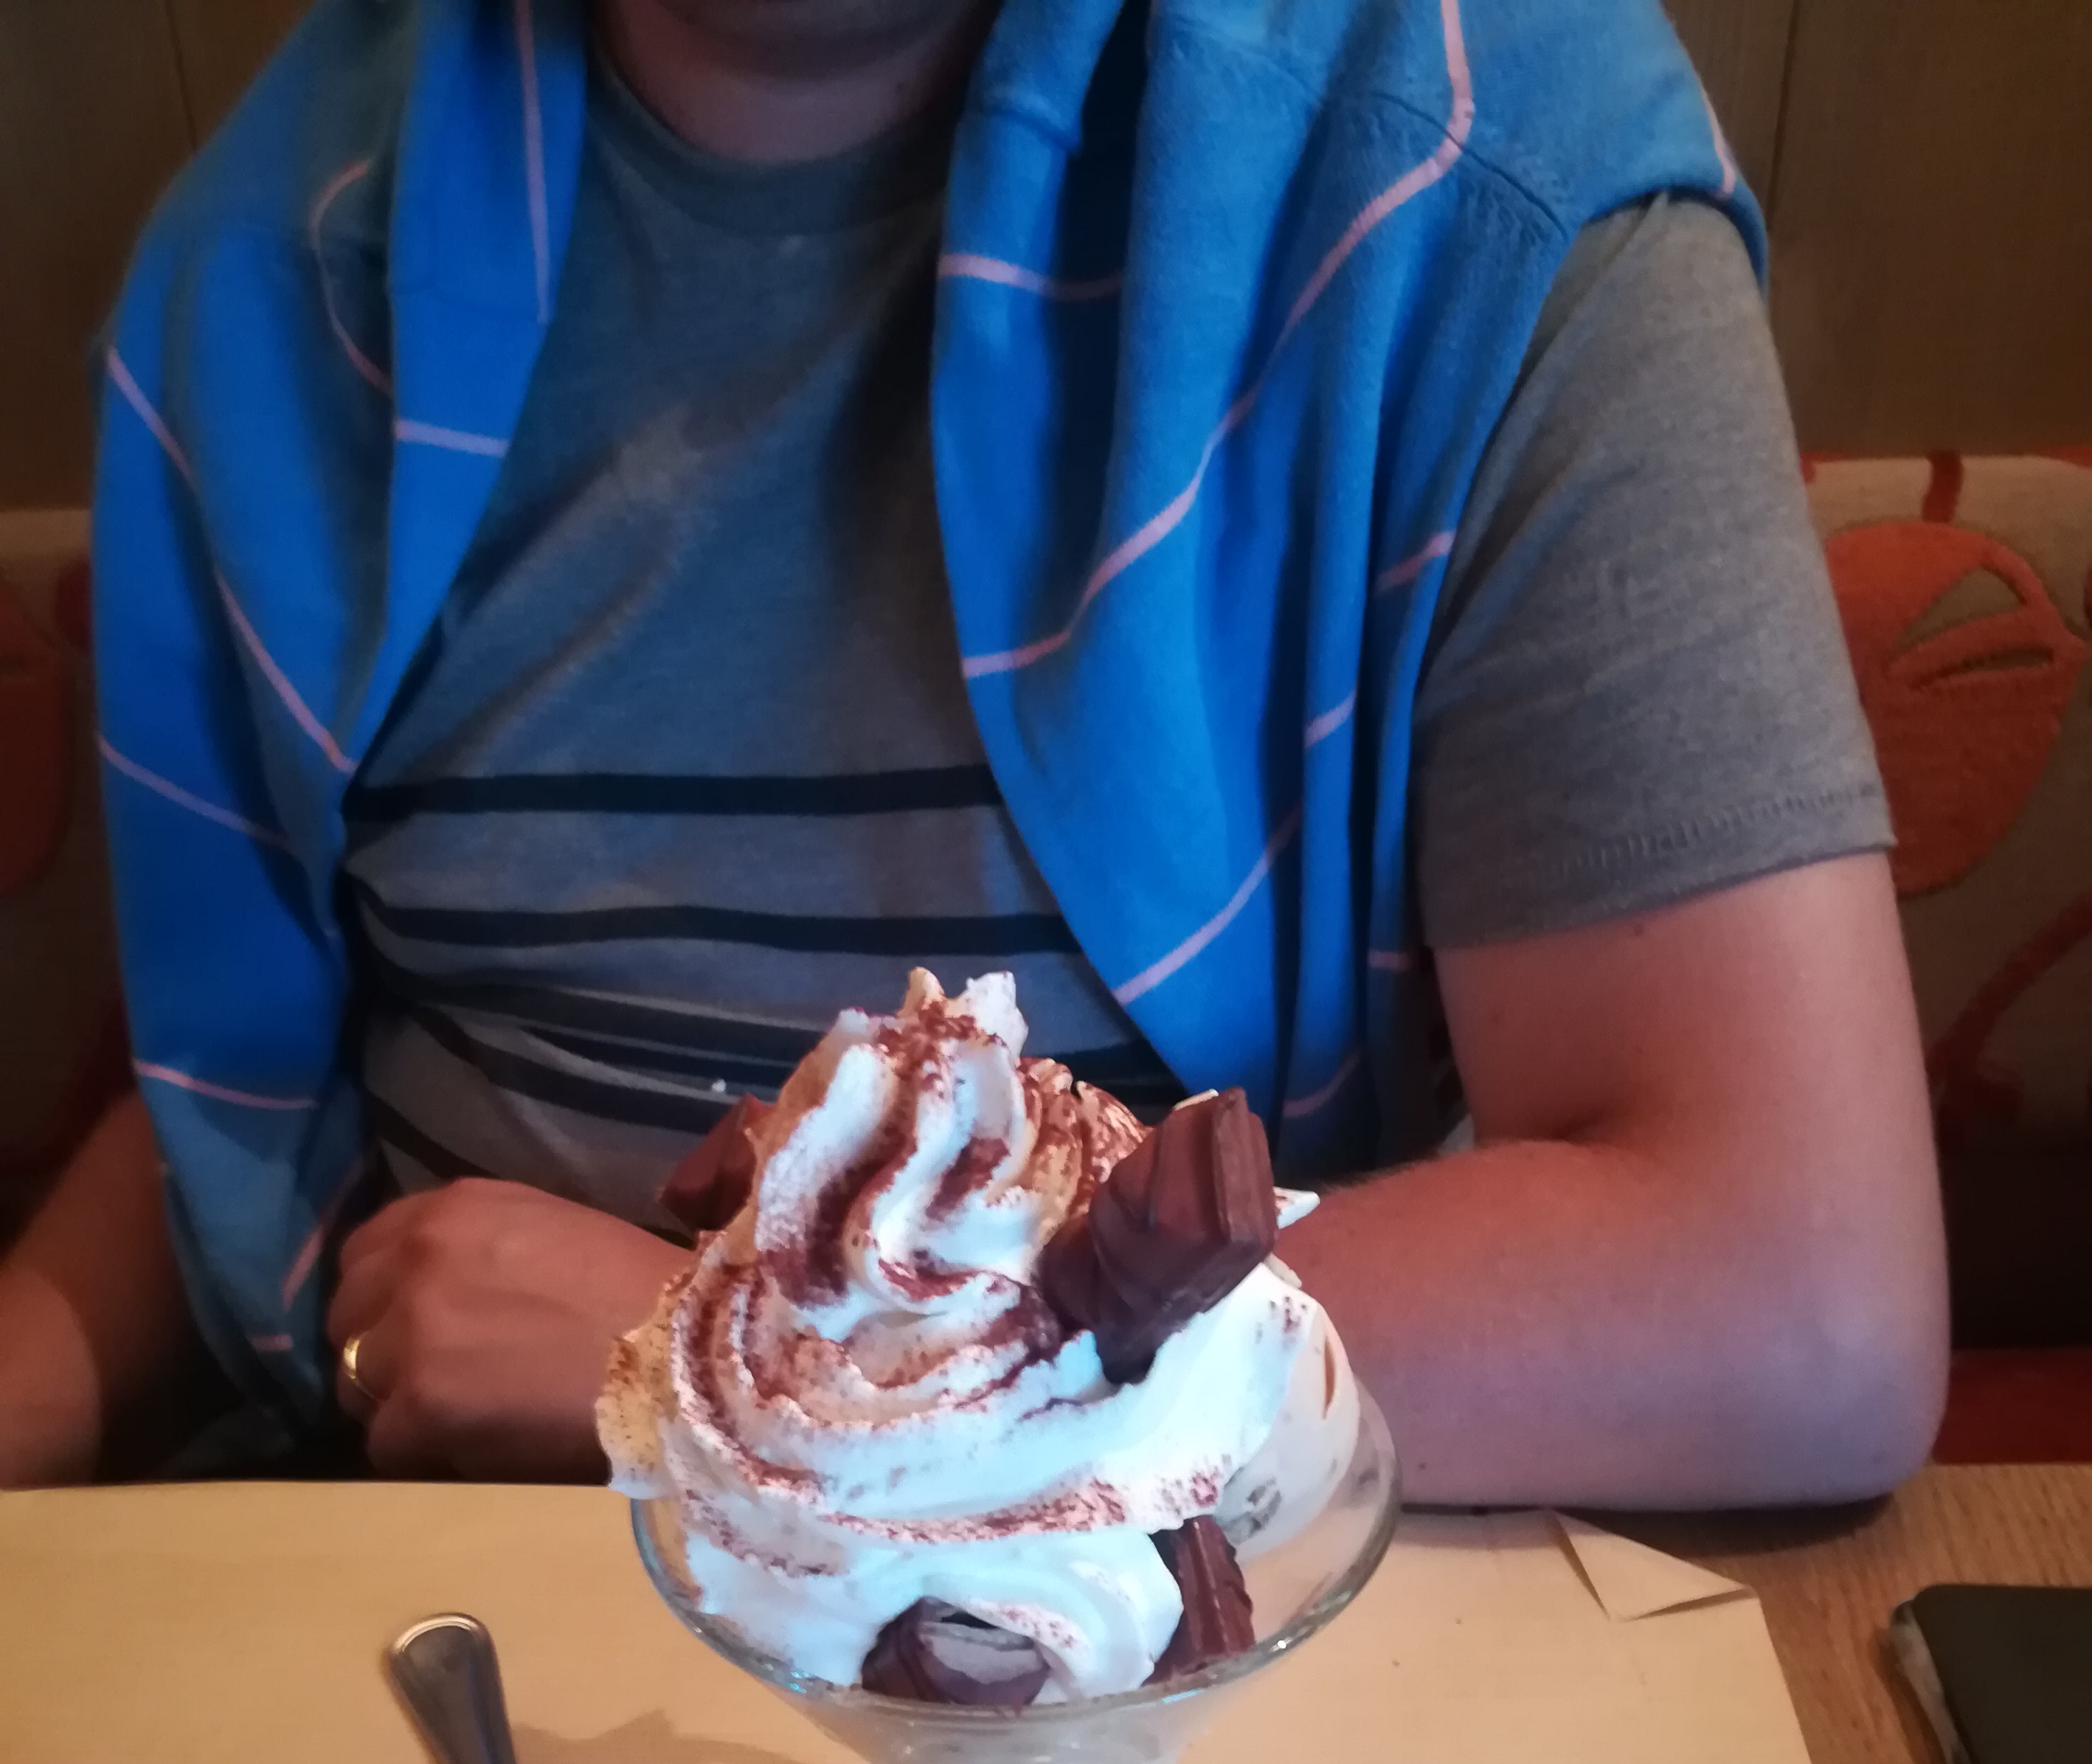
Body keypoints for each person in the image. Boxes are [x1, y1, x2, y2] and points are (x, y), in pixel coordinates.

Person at [0, 0, 1946, 1505]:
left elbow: (1790, 1305)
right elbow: (243, 1117)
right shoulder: (272, 266)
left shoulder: (1473, 170)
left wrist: (739, 1375)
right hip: (432, 1588)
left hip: (1163, 1622)